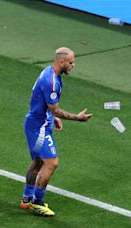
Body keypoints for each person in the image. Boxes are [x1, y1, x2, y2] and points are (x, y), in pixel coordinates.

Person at [20, 47, 92, 216]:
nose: (73, 65)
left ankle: (26, 198)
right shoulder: (51, 81)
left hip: (38, 122)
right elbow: (55, 109)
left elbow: (46, 105)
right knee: (51, 163)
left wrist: (53, 117)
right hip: (39, 128)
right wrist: (77, 118)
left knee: (38, 162)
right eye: (71, 62)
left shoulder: (49, 72)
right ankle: (37, 202)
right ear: (61, 62)